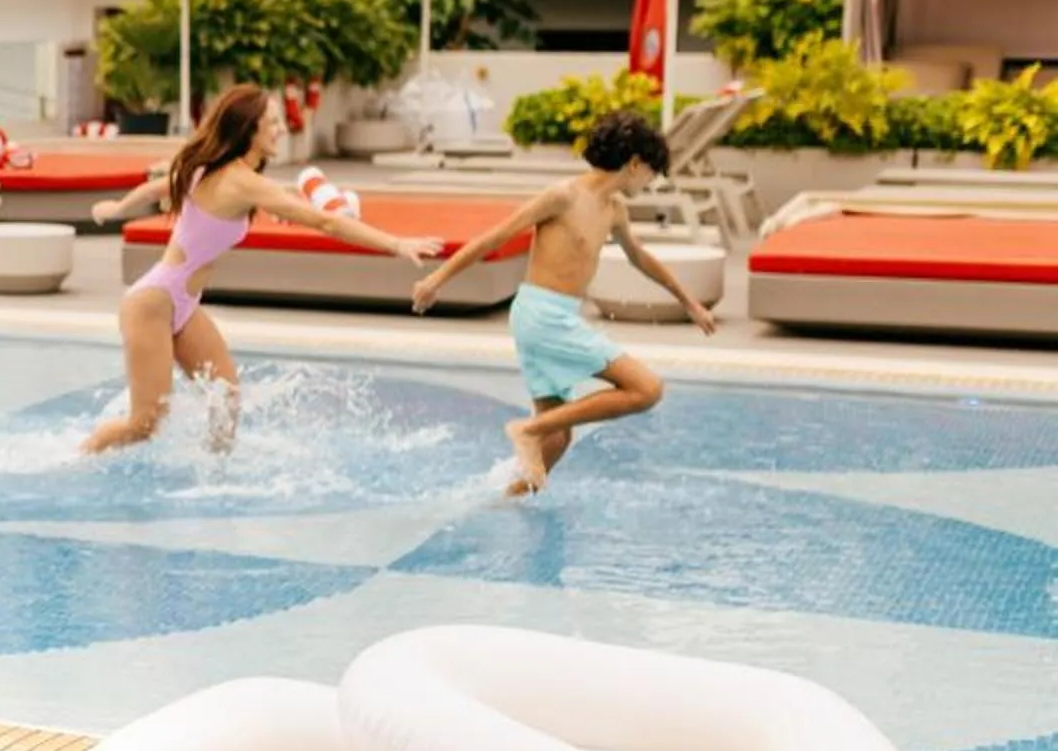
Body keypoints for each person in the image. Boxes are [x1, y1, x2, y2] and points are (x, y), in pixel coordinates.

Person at [83, 83, 442, 453]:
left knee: (226, 398)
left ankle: (214, 477)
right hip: (152, 304)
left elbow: (160, 186)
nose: (281, 129)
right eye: (272, 122)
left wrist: (118, 206)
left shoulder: (216, 170)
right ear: (249, 129)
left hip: (182, 305)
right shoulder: (242, 182)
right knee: (145, 423)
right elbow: (327, 223)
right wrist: (396, 244)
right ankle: (76, 459)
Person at [410, 110, 716, 494]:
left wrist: (689, 302)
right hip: (541, 316)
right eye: (652, 172)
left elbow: (640, 258)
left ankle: (503, 504)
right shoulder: (563, 196)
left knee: (557, 441)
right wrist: (436, 280)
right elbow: (495, 237)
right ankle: (526, 429)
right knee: (646, 389)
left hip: (555, 317)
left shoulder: (614, 210)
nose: (652, 182)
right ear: (635, 163)